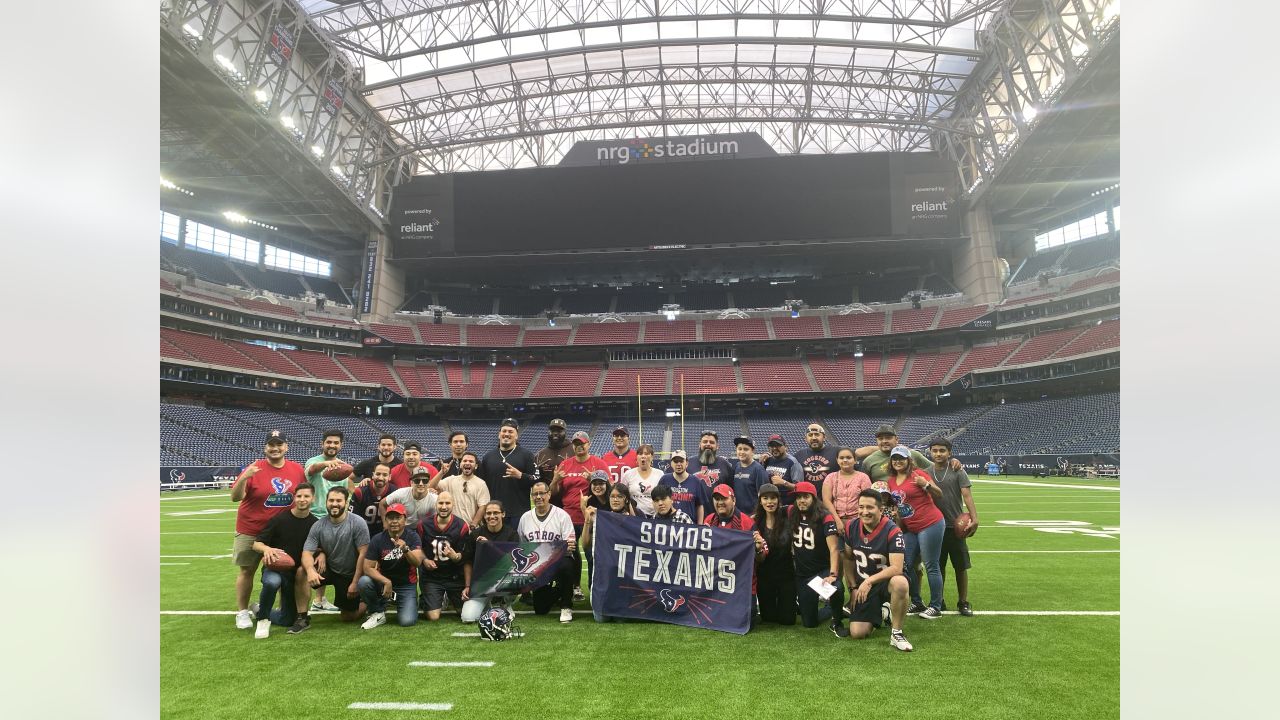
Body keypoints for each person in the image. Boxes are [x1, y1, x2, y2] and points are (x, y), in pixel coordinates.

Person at [230, 430, 306, 630]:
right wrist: (244, 477)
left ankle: (281, 608)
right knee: (247, 571)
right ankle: (242, 612)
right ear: (265, 447)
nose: (275, 448)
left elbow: (303, 494)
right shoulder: (254, 468)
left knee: (284, 568)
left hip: (281, 532)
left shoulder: (296, 469)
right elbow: (235, 497)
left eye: (279, 444)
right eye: (271, 444)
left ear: (286, 447)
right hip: (251, 528)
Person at [843, 489, 913, 651]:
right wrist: (853, 587)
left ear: (881, 510)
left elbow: (896, 567)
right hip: (864, 585)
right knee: (857, 633)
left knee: (900, 583)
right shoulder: (851, 527)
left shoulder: (892, 530)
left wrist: (869, 581)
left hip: (885, 582)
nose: (864, 512)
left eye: (870, 508)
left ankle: (896, 632)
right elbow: (847, 558)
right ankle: (883, 612)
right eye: (861, 507)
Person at [882, 445, 946, 619]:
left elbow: (939, 494)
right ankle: (917, 602)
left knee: (931, 564)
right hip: (910, 527)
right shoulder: (892, 480)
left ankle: (936, 606)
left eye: (901, 458)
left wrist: (925, 485)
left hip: (930, 523)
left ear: (908, 460)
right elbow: (898, 506)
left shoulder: (918, 475)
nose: (898, 461)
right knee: (906, 564)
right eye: (895, 459)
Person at [297, 486, 370, 632]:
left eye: (339, 500)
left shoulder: (357, 523)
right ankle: (302, 616)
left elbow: (363, 554)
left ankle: (367, 601)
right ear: (326, 502)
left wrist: (355, 582)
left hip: (349, 574)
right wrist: (310, 570)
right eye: (331, 500)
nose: (334, 504)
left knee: (348, 617)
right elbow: (306, 553)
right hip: (330, 568)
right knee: (301, 572)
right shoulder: (318, 525)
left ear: (346, 503)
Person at [250, 482, 317, 638]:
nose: (302, 499)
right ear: (294, 497)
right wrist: (267, 549)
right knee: (271, 582)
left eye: (306, 496)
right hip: (275, 569)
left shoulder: (315, 524)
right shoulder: (279, 520)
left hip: (295, 576)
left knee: (287, 619)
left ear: (313, 498)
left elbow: (320, 548)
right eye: (299, 496)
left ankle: (258, 609)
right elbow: (256, 544)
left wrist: (321, 556)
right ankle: (263, 619)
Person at [552, 431, 610, 602]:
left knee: (591, 553)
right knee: (569, 552)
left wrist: (593, 478)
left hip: (590, 517)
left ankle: (594, 589)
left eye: (582, 443)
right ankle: (573, 587)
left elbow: (610, 487)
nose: (579, 446)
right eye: (576, 443)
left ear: (588, 444)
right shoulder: (566, 464)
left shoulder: (598, 463)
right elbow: (554, 493)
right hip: (568, 516)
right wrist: (555, 480)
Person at [925, 438, 979, 616]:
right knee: (938, 566)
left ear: (949, 452)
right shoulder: (926, 472)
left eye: (942, 450)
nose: (938, 454)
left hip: (956, 526)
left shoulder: (958, 470)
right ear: (930, 452)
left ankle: (963, 601)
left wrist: (974, 518)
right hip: (934, 527)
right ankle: (938, 600)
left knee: (960, 566)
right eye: (935, 450)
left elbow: (967, 496)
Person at [787, 481, 848, 637]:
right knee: (809, 623)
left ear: (813, 498)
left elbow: (834, 548)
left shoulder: (825, 517)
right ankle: (827, 608)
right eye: (798, 497)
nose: (801, 500)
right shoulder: (790, 511)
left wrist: (833, 574)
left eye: (805, 497)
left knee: (837, 587)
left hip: (821, 572)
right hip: (802, 575)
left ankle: (837, 617)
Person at [302, 429, 351, 613]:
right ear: (322, 443)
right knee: (310, 561)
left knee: (329, 560)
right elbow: (311, 470)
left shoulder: (342, 467)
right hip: (314, 518)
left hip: (336, 518)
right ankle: (301, 604)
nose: (332, 445)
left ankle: (320, 600)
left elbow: (345, 492)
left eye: (336, 443)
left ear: (341, 445)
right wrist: (327, 464)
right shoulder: (314, 461)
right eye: (329, 442)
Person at [705, 485, 768, 621]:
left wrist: (758, 548)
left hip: (741, 583)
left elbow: (762, 557)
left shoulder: (747, 523)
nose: (720, 502)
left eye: (724, 498)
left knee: (745, 620)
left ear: (733, 500)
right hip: (715, 581)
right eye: (717, 499)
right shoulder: (708, 520)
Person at [356, 503, 424, 629]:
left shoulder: (413, 537)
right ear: (386, 520)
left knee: (407, 621)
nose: (394, 521)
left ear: (405, 519)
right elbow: (367, 567)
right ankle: (377, 611)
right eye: (390, 518)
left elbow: (417, 562)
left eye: (398, 518)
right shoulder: (377, 539)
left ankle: (402, 601)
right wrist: (386, 581)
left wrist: (405, 549)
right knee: (364, 582)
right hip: (383, 584)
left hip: (406, 585)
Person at [517, 481, 578, 622]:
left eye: (542, 493)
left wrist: (553, 552)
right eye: (535, 494)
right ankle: (560, 591)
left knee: (568, 565)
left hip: (558, 561)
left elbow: (569, 546)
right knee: (540, 609)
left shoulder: (562, 515)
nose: (538, 497)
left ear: (549, 494)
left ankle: (566, 605)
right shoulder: (525, 518)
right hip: (536, 564)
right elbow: (522, 546)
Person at [461, 501, 522, 623]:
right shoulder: (475, 535)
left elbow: (513, 562)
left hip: (504, 582)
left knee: (519, 578)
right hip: (482, 583)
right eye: (488, 513)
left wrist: (490, 546)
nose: (492, 516)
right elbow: (467, 562)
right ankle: (487, 603)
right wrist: (468, 586)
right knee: (468, 618)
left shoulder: (512, 535)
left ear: (503, 514)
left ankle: (505, 603)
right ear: (484, 516)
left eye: (496, 513)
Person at [417, 491, 471, 621]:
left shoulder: (462, 525)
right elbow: (417, 547)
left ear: (453, 505)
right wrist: (424, 560)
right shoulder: (423, 525)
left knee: (465, 614)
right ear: (436, 504)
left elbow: (464, 556)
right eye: (441, 503)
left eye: (447, 503)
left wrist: (454, 556)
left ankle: (448, 596)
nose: (444, 506)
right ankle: (434, 597)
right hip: (432, 577)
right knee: (433, 617)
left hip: (454, 576)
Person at [478, 418, 540, 520]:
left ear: (516, 436)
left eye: (511, 431)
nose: (507, 434)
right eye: (504, 431)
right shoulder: (488, 457)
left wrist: (521, 476)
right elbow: (482, 484)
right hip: (493, 513)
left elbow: (537, 480)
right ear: (499, 434)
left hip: (519, 512)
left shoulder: (527, 455)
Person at [751, 484, 794, 626]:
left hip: (786, 574)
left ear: (778, 499)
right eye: (765, 498)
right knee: (769, 618)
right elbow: (758, 558)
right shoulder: (754, 522)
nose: (770, 502)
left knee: (787, 620)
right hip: (765, 574)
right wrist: (758, 549)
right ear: (760, 501)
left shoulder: (788, 516)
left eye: (773, 498)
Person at [857, 424, 961, 482]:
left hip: (912, 505)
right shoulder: (868, 461)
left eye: (888, 438)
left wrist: (951, 461)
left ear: (897, 439)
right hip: (884, 508)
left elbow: (936, 469)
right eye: (880, 438)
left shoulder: (913, 455)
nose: (884, 441)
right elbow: (865, 486)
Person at [436, 451, 490, 528]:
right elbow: (432, 486)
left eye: (471, 461)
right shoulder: (450, 480)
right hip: (451, 527)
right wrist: (441, 473)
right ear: (460, 464)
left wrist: (473, 525)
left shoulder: (481, 484)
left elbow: (483, 506)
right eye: (464, 461)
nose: (467, 463)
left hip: (470, 528)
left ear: (476, 466)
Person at [822, 447, 872, 527]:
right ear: (837, 460)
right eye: (841, 458)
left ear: (855, 460)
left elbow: (867, 500)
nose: (845, 460)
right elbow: (826, 500)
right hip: (835, 520)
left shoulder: (863, 477)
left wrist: (859, 523)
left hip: (858, 521)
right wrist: (837, 521)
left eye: (848, 457)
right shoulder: (830, 477)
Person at [658, 450, 709, 523]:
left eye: (681, 461)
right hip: (668, 525)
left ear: (687, 463)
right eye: (675, 461)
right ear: (671, 463)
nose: (678, 464)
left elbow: (700, 505)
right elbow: (657, 501)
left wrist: (699, 526)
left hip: (689, 527)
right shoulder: (664, 479)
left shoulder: (696, 481)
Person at [723, 436, 769, 516]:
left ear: (752, 451)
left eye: (746, 449)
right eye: (739, 449)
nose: (742, 452)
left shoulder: (758, 469)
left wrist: (757, 514)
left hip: (752, 516)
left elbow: (764, 495)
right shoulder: (736, 466)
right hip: (737, 515)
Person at [534, 419, 574, 503]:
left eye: (559, 431)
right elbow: (536, 480)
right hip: (549, 501)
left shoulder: (573, 449)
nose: (555, 433)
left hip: (571, 498)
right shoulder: (540, 455)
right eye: (552, 430)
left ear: (565, 432)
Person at [350, 463, 395, 537]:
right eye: (378, 474)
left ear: (389, 477)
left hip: (385, 534)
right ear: (373, 475)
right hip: (362, 533)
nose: (380, 478)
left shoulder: (394, 492)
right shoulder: (360, 492)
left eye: (385, 475)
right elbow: (352, 519)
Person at [797, 423, 841, 498]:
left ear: (824, 437)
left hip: (831, 501)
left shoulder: (836, 451)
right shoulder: (799, 455)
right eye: (810, 435)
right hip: (809, 501)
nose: (813, 438)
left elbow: (857, 452)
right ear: (805, 439)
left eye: (817, 434)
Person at [761, 434, 803, 506]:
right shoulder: (767, 460)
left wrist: (784, 482)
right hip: (770, 505)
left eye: (778, 445)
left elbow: (800, 488)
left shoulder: (793, 462)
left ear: (786, 447)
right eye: (771, 446)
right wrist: (761, 463)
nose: (774, 448)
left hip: (787, 506)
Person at [621, 444, 663, 516]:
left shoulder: (660, 474)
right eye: (640, 454)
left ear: (652, 457)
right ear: (637, 457)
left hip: (654, 517)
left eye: (646, 454)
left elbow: (663, 496)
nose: (643, 456)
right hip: (634, 516)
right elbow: (622, 494)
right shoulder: (628, 474)